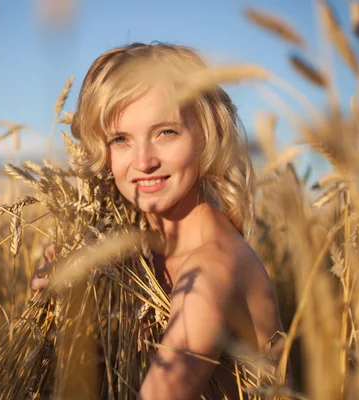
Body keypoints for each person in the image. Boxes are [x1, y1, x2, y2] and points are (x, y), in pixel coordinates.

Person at [31, 42, 286, 399]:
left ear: (206, 135)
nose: (144, 160)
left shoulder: (211, 271)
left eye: (166, 132)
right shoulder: (130, 256)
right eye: (120, 139)